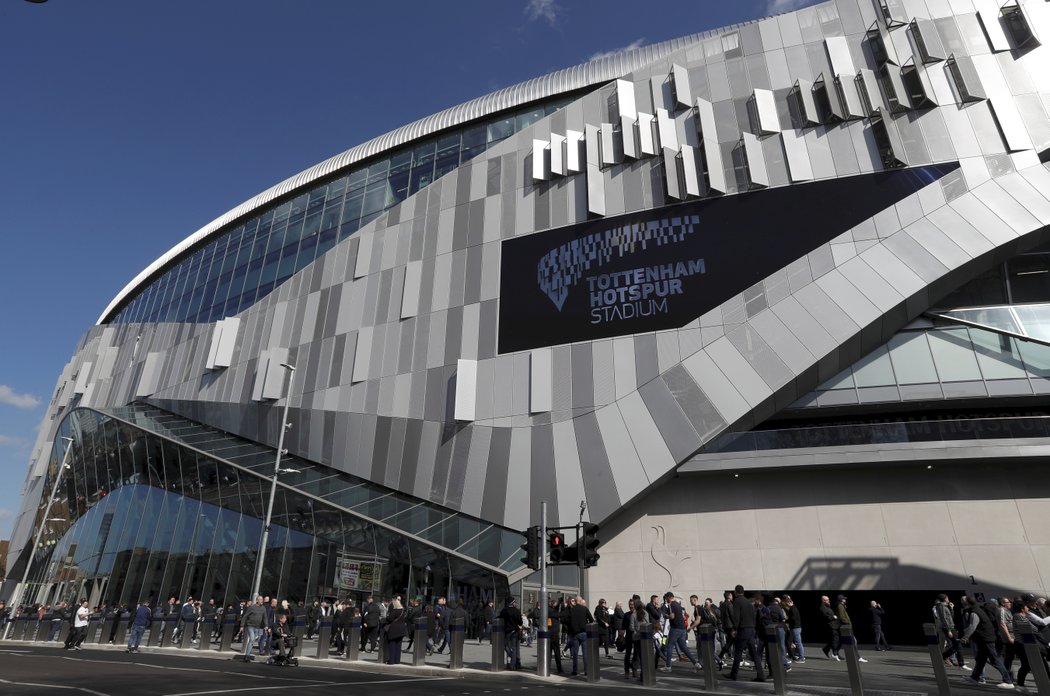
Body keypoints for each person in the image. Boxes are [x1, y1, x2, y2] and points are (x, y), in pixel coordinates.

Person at [960, 596, 1014, 689]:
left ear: (968, 603)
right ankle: (974, 678)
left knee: (995, 659)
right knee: (980, 659)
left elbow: (973, 626)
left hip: (986, 639)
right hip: (983, 639)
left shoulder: (974, 612)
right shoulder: (976, 609)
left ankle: (1008, 681)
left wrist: (965, 637)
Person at [727, 585, 765, 682]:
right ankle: (760, 675)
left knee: (738, 652)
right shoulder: (748, 602)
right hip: (751, 629)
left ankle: (733, 674)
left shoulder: (737, 601)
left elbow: (736, 617)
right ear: (743, 591)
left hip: (743, 629)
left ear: (736, 592)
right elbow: (754, 615)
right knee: (754, 653)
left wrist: (734, 629)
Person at [663, 592, 701, 673]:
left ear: (669, 597)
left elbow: (672, 616)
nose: (666, 600)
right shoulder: (678, 605)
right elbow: (683, 616)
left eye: (666, 598)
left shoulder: (671, 605)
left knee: (669, 646)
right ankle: (696, 663)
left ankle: (668, 666)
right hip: (682, 629)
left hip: (675, 628)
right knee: (684, 648)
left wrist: (666, 616)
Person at [835, 595, 867, 662]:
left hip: (844, 626)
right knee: (854, 641)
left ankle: (835, 653)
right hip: (845, 627)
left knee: (842, 641)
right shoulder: (840, 606)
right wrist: (848, 623)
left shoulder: (841, 606)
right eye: (844, 599)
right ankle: (858, 657)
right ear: (841, 600)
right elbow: (841, 617)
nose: (845, 600)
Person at [498, 597, 523, 670]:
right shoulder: (517, 611)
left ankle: (511, 656)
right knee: (514, 648)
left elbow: (500, 618)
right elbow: (520, 622)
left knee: (505, 645)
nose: (515, 603)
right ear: (512, 603)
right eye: (515, 602)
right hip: (515, 631)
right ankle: (513, 665)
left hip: (507, 631)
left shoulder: (504, 610)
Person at [240, 596, 267, 660]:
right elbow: (245, 616)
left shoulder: (263, 608)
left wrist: (266, 625)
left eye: (262, 600)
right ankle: (247, 656)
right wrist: (242, 626)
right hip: (250, 626)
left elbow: (265, 617)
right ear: (257, 600)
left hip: (258, 627)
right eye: (260, 600)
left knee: (253, 640)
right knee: (252, 639)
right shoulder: (252, 608)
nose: (262, 601)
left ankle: (248, 653)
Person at [383, 598, 407, 664]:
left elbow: (389, 618)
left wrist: (387, 617)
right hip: (401, 629)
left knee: (392, 645)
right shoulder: (403, 610)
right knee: (398, 646)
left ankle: (391, 661)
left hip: (394, 629)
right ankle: (397, 660)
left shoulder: (395, 611)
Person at [783, 595, 804, 662]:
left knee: (798, 642)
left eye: (788, 603)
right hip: (795, 627)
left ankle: (802, 657)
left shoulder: (793, 609)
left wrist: (786, 621)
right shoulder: (793, 608)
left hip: (795, 628)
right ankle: (796, 655)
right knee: (792, 641)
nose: (787, 604)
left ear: (790, 603)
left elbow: (793, 619)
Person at [820, 595, 840, 660]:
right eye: (827, 600)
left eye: (828, 599)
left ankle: (826, 649)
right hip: (830, 626)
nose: (829, 601)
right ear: (823, 601)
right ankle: (835, 653)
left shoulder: (827, 607)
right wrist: (833, 617)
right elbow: (826, 616)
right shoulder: (822, 607)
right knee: (835, 639)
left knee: (832, 640)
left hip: (833, 625)